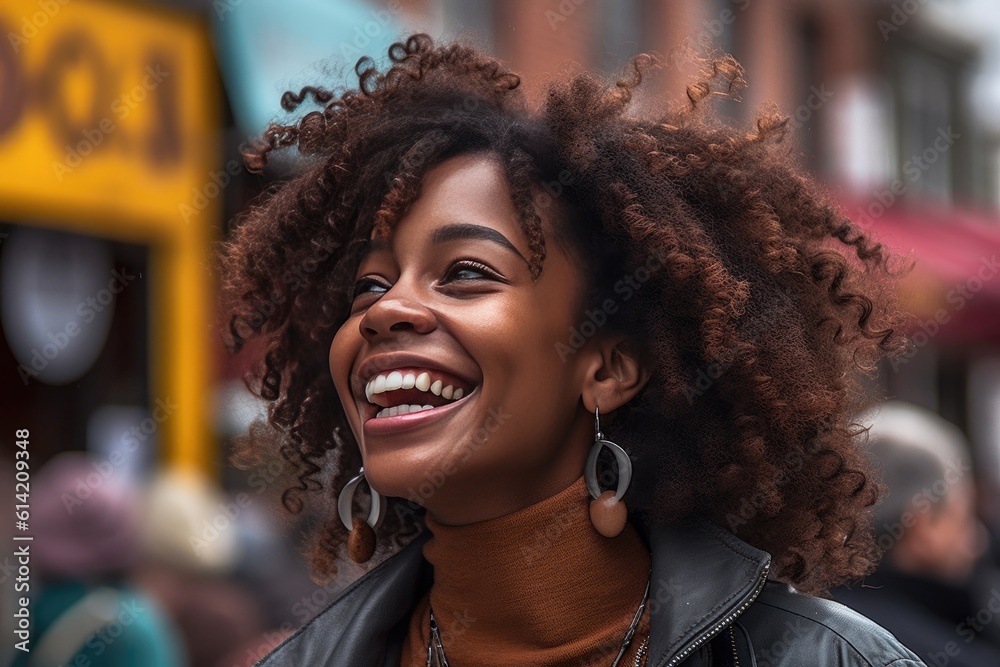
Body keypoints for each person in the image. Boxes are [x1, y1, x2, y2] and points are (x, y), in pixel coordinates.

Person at [217, 33, 925, 666]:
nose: (386, 310)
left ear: (609, 368)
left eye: (465, 271)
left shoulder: (825, 656)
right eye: (369, 284)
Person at [834, 401, 1000, 666]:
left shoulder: (809, 630)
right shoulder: (952, 655)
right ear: (925, 528)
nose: (979, 541)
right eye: (965, 517)